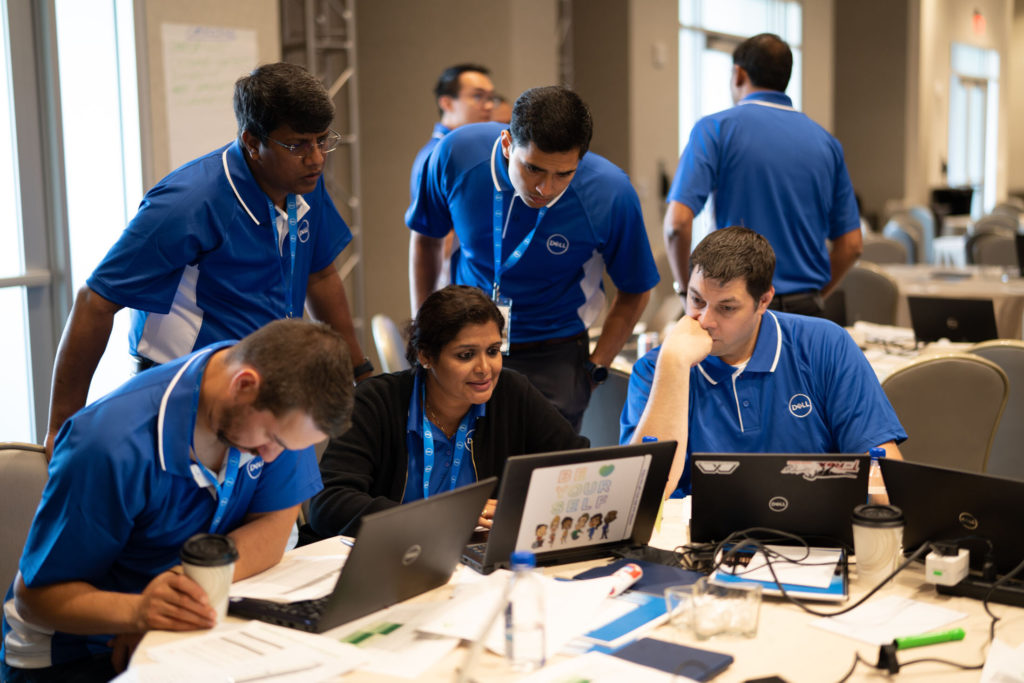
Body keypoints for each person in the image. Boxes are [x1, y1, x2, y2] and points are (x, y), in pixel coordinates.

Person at [45, 61, 371, 458]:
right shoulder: (188, 202)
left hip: (270, 385)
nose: (316, 159)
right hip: (189, 393)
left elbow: (319, 275)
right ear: (253, 142)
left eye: (322, 140)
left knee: (286, 492)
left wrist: (359, 371)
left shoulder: (303, 184)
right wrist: (62, 425)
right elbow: (94, 301)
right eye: (298, 144)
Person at [2, 319, 355, 682]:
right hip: (73, 652)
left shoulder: (282, 412)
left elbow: (274, 527)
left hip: (179, 626)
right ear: (243, 385)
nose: (271, 457)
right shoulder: (109, 446)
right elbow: (36, 598)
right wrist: (140, 612)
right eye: (272, 439)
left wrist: (181, 589)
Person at [408, 86, 659, 430]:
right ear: (508, 144)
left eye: (563, 174)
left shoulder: (610, 193)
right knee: (460, 455)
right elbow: (426, 239)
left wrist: (597, 366)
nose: (546, 189)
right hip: (464, 340)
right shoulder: (456, 155)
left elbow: (636, 289)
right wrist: (423, 329)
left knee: (541, 462)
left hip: (553, 352)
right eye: (533, 169)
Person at [621, 227, 905, 499]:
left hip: (814, 528)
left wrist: (888, 520)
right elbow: (643, 493)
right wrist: (674, 365)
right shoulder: (656, 368)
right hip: (696, 532)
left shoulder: (826, 345)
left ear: (764, 301)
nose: (705, 321)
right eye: (696, 300)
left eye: (726, 308)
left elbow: (881, 470)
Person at [307, 285, 588, 537]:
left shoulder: (512, 393)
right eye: (466, 355)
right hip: (390, 554)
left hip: (474, 556)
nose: (485, 369)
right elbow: (329, 503)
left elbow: (580, 469)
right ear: (426, 356)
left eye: (493, 351)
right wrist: (440, 517)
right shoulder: (376, 401)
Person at [663, 33, 862, 317]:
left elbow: (677, 224)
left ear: (738, 74)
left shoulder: (715, 129)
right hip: (805, 311)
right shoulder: (827, 143)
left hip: (735, 312)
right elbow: (852, 246)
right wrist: (813, 295)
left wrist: (688, 295)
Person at [405, 64, 496, 290]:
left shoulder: (467, 151)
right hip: (456, 289)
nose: (488, 106)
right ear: (446, 103)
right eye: (478, 96)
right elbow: (437, 241)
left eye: (490, 98)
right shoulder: (438, 155)